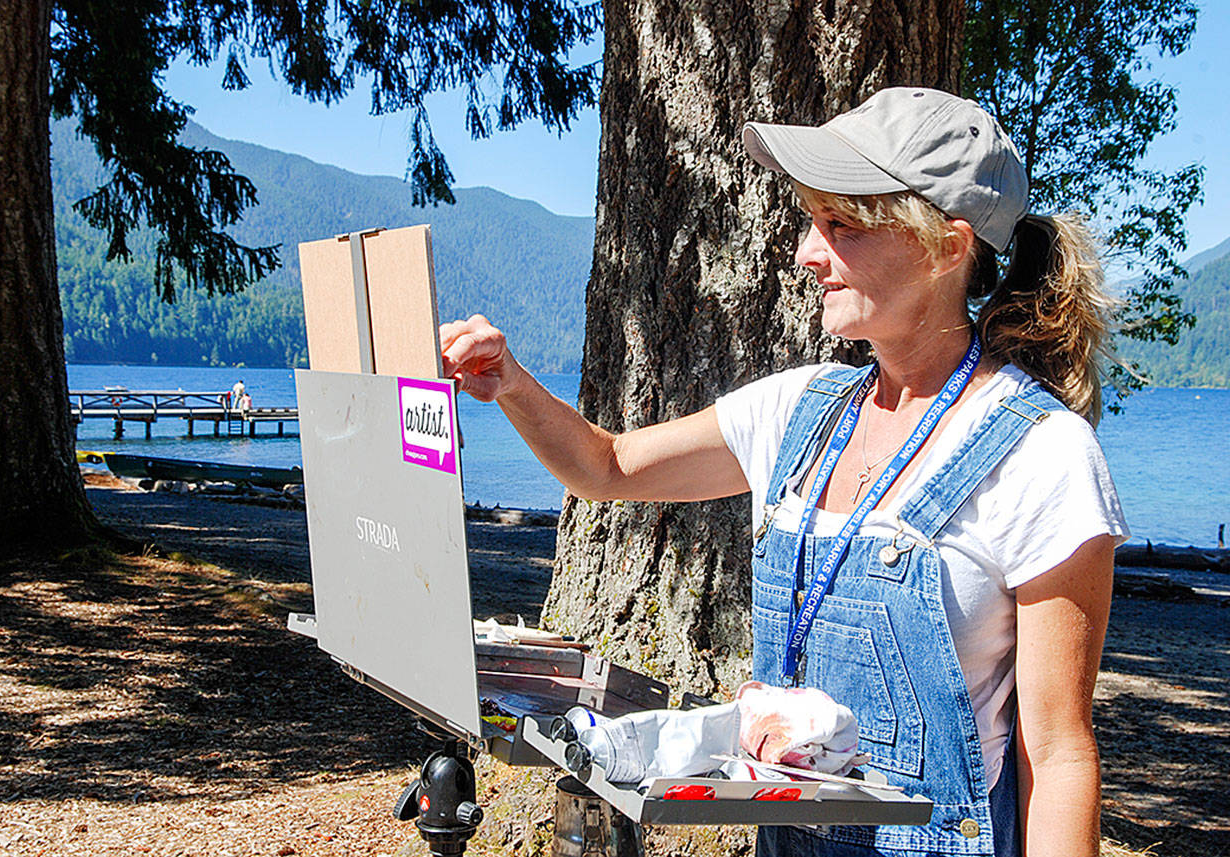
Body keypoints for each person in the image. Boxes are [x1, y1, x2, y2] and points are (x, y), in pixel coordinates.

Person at [440, 87, 1125, 857]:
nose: (806, 252)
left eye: (841, 226)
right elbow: (607, 465)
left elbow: (1058, 755)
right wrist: (511, 383)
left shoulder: (1045, 454)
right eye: (812, 220)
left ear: (945, 245)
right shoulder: (802, 408)